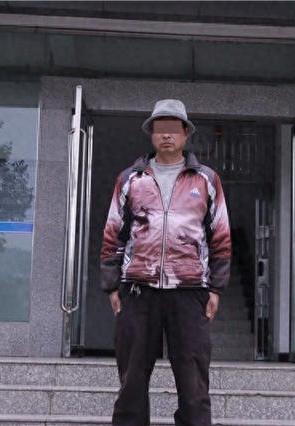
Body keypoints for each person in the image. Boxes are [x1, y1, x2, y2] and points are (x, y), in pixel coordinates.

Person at [100, 99, 231, 426]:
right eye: (161, 128)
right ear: (152, 133)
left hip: (189, 291)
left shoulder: (206, 180)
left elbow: (221, 235)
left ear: (186, 133)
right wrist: (112, 285)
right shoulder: (131, 179)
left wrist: (216, 288)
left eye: (174, 128)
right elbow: (113, 231)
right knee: (131, 382)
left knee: (193, 383)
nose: (167, 135)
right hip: (137, 290)